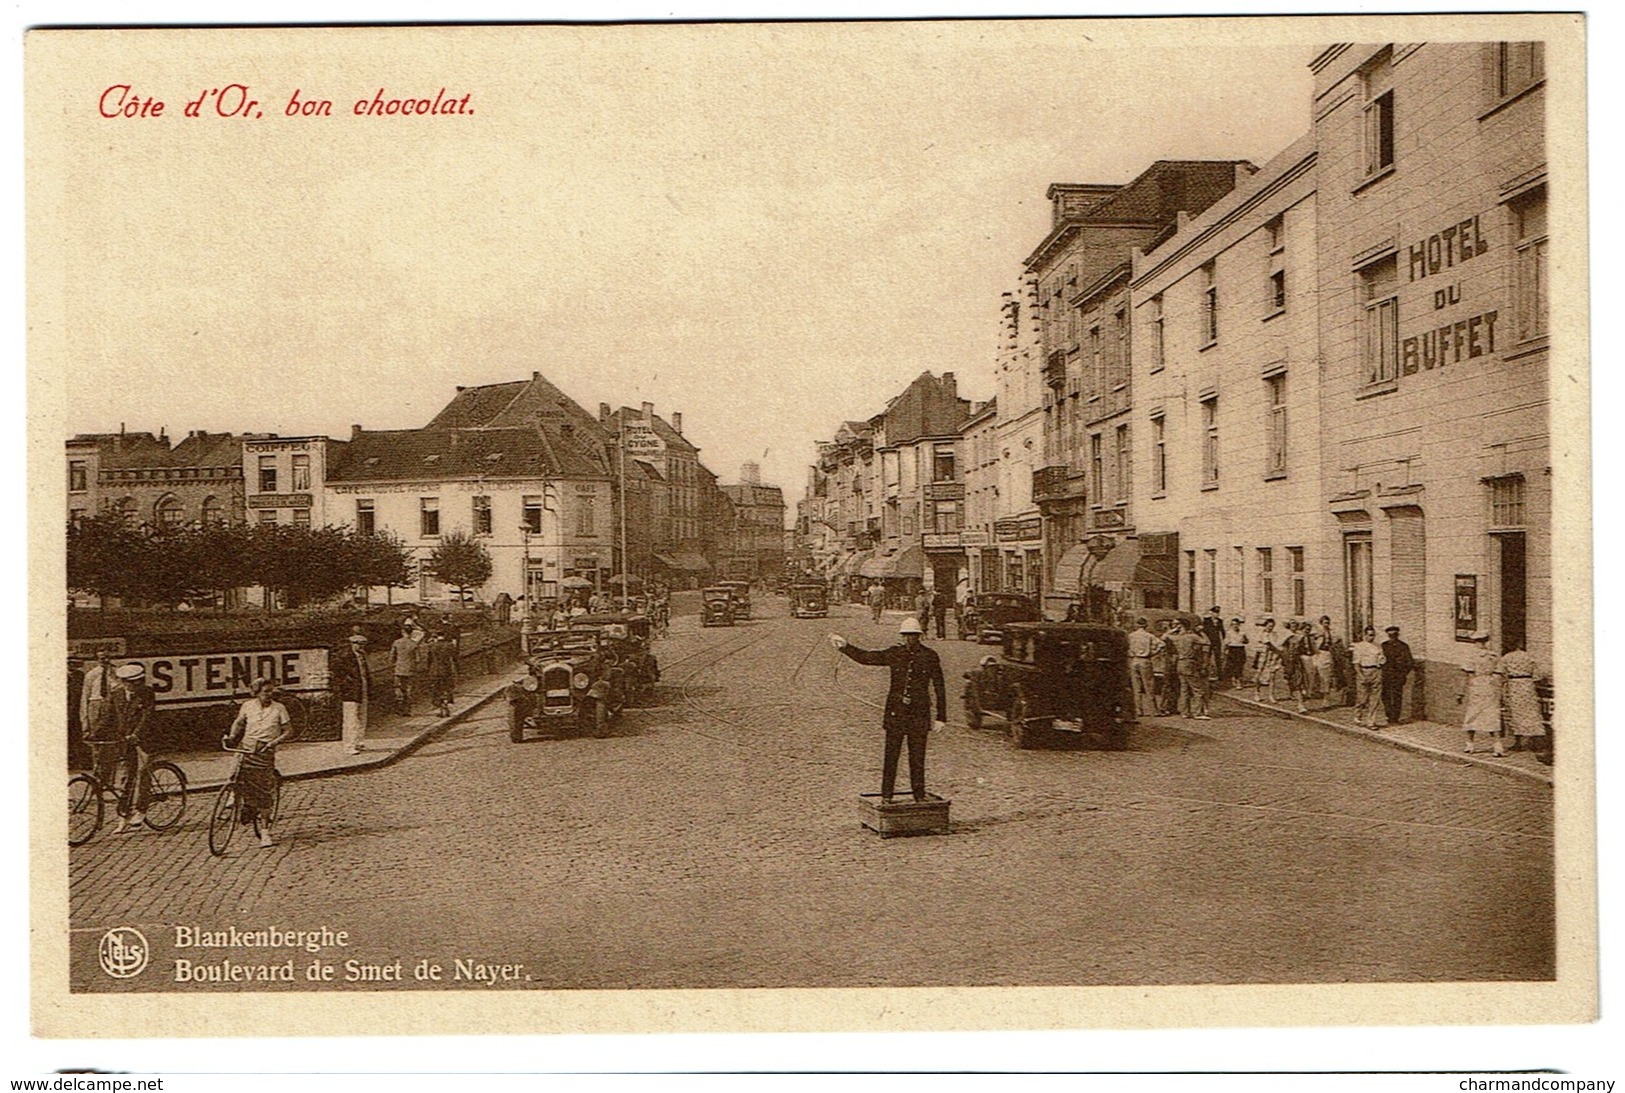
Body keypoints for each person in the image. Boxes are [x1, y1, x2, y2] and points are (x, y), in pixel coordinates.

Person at [829, 617, 947, 804]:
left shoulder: (930, 656)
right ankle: (886, 795)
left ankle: (919, 795)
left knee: (917, 758)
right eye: (906, 636)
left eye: (913, 636)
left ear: (920, 636)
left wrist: (941, 717)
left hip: (919, 715)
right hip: (896, 714)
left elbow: (939, 686)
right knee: (891, 757)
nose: (910, 640)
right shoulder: (895, 653)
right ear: (902, 636)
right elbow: (867, 658)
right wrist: (845, 647)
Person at [225, 679, 294, 848]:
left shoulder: (279, 708)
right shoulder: (248, 706)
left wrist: (274, 742)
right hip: (247, 746)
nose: (269, 695)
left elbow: (289, 731)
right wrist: (232, 736)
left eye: (271, 691)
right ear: (256, 693)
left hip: (265, 751)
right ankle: (233, 795)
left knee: (263, 792)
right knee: (235, 772)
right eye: (266, 692)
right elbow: (239, 722)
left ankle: (265, 832)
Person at [103, 663, 157, 833]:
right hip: (125, 740)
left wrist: (137, 734)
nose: (135, 686)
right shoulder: (116, 694)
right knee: (126, 778)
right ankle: (123, 816)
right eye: (131, 683)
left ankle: (141, 810)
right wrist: (94, 734)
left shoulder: (147, 693)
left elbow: (147, 716)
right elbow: (109, 716)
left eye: (138, 682)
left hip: (145, 739)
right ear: (123, 682)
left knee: (143, 773)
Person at [1497, 646, 1549, 763]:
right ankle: (1536, 741)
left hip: (1513, 685)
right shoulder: (1530, 656)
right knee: (1531, 713)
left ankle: (1518, 741)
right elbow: (1538, 675)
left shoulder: (1506, 657)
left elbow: (1501, 673)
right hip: (1527, 685)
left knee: (1515, 714)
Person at [1459, 630, 1503, 756]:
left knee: (1473, 714)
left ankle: (1470, 744)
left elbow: (1468, 675)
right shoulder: (1494, 656)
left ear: (1475, 642)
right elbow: (1499, 674)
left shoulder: (1472, 656)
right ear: (1487, 641)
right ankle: (1497, 745)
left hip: (1476, 686)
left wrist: (1461, 693)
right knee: (1492, 714)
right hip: (1491, 686)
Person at [331, 632, 372, 754]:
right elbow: (336, 672)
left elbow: (366, 673)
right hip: (350, 691)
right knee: (351, 719)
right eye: (359, 645)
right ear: (353, 644)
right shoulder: (345, 656)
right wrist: (345, 683)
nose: (361, 647)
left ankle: (359, 741)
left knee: (362, 717)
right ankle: (349, 745)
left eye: (363, 645)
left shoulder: (362, 656)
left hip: (362, 688)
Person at [1165, 621, 1210, 719]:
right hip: (1189, 663)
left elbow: (1163, 637)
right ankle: (1198, 713)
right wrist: (1202, 632)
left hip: (1179, 663)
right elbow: (1206, 642)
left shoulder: (1176, 638)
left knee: (1184, 689)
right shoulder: (1192, 637)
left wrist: (1173, 630)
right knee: (1197, 689)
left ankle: (1185, 712)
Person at [1350, 626, 1387, 729]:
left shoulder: (1378, 646)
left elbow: (1382, 658)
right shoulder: (1359, 646)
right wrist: (1361, 675)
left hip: (1376, 671)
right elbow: (1356, 663)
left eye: (1373, 635)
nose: (1372, 637)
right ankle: (1358, 715)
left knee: (1375, 698)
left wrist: (1382, 661)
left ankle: (1371, 722)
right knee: (1362, 698)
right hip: (1364, 671)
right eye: (1370, 635)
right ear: (1365, 635)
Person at [1380, 626, 1416, 726]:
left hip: (1397, 675)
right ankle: (1388, 715)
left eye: (1394, 635)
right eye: (1390, 635)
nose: (1392, 637)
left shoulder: (1403, 646)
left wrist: (1403, 674)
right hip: (1386, 675)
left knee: (1397, 696)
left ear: (1398, 635)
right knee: (1385, 695)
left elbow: (1409, 662)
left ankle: (1395, 717)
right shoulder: (1384, 645)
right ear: (1388, 635)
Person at [78, 651, 116, 738]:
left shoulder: (116, 673)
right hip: (95, 704)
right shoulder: (91, 674)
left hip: (111, 703)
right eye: (102, 658)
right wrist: (84, 723)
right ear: (97, 659)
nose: (106, 660)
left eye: (108, 657)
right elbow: (85, 696)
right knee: (95, 732)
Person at [1126, 617, 1158, 717]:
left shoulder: (1131, 636)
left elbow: (1125, 647)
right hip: (1145, 660)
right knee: (1149, 686)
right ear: (1146, 625)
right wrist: (1153, 653)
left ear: (1136, 625)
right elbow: (1162, 644)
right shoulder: (1149, 636)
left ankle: (1138, 710)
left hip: (1134, 660)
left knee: (1136, 687)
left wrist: (1130, 653)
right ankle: (1153, 710)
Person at [423, 630, 458, 717]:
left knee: (436, 688)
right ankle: (446, 704)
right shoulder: (450, 645)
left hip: (435, 670)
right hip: (446, 669)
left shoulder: (432, 646)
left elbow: (429, 659)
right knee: (446, 687)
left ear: (436, 636)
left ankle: (440, 707)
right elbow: (454, 657)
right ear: (444, 635)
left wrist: (428, 669)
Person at [390, 627, 421, 716]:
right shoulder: (414, 644)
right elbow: (418, 659)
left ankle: (399, 709)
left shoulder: (396, 642)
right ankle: (407, 710)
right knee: (409, 689)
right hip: (410, 669)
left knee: (398, 688)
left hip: (399, 669)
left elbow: (392, 657)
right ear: (411, 633)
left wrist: (395, 663)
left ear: (402, 632)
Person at [1222, 618, 1249, 690]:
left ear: (1239, 625)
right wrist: (1225, 651)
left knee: (1240, 665)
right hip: (1232, 649)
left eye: (1236, 624)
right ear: (1231, 625)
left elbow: (1247, 641)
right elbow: (1226, 642)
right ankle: (1235, 680)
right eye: (1233, 624)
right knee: (1233, 665)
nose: (1235, 626)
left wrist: (1245, 640)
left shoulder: (1242, 633)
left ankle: (1238, 680)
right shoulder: (1229, 632)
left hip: (1240, 649)